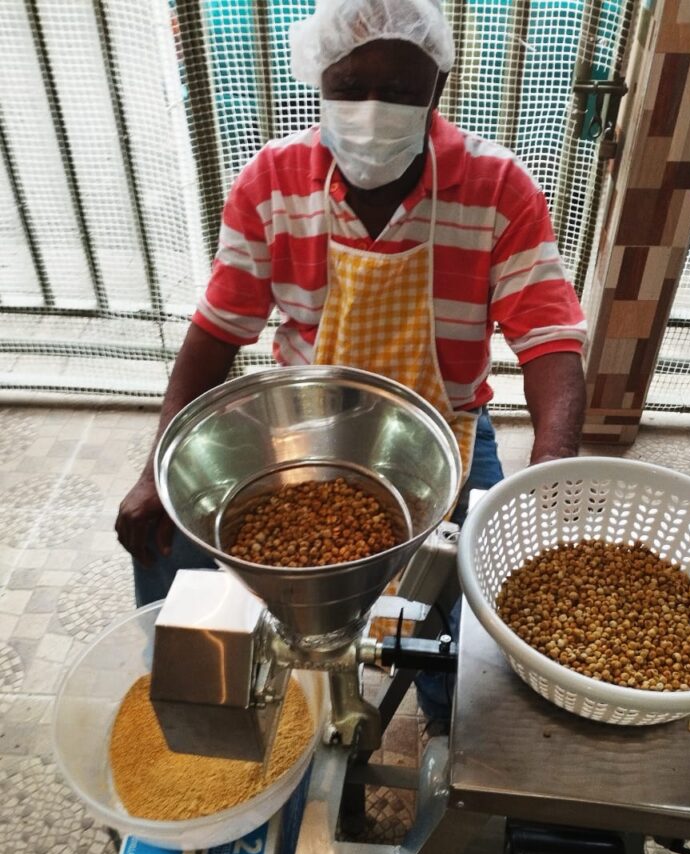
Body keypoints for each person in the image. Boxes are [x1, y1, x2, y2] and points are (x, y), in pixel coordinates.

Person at [116, 0, 587, 728]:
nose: (373, 111)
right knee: (167, 540)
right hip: (300, 423)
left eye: (401, 93)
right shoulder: (273, 179)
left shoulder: (497, 187)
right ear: (320, 80)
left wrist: (550, 465)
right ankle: (212, 712)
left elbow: (550, 336)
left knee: (482, 619)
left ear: (438, 87)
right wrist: (153, 468)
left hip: (447, 427)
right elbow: (216, 329)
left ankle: (447, 723)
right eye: (352, 87)